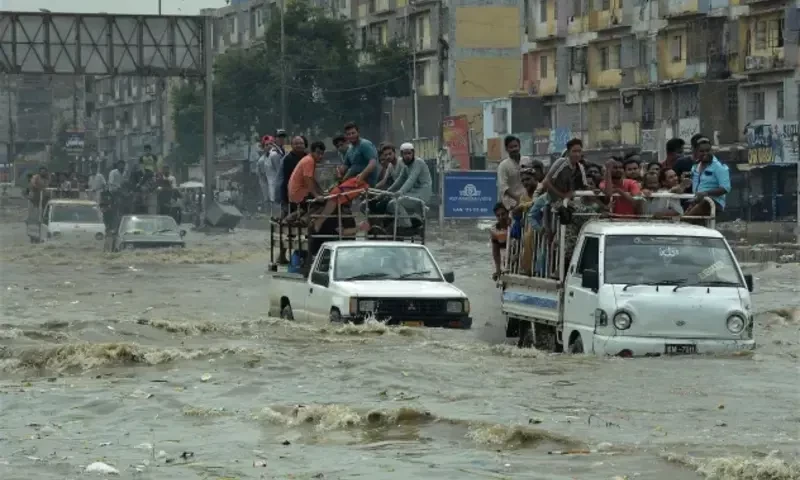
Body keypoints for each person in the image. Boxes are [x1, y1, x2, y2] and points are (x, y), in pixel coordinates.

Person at [311, 122, 378, 233]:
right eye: (348, 134)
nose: (351, 135)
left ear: (358, 132)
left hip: (364, 181)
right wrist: (337, 172)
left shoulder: (365, 145)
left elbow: (373, 163)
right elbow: (345, 166)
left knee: (335, 194)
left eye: (353, 133)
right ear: (346, 136)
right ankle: (339, 225)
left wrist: (362, 175)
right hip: (352, 180)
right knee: (330, 192)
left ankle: (319, 223)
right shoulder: (351, 149)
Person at [385, 142, 432, 231]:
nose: (407, 156)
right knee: (390, 203)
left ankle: (407, 227)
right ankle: (404, 222)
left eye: (409, 153)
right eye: (405, 154)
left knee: (395, 202)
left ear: (413, 153)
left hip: (423, 192)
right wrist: (387, 191)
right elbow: (400, 180)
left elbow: (411, 180)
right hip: (413, 192)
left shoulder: (418, 162)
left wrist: (401, 192)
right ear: (401, 154)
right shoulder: (406, 165)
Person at [684, 136, 730, 219]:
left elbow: (725, 188)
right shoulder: (695, 166)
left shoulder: (719, 166)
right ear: (696, 152)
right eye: (701, 151)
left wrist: (706, 193)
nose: (705, 153)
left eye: (708, 150)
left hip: (712, 203)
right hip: (696, 201)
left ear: (711, 150)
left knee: (687, 220)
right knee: (683, 220)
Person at [288, 140, 325, 207]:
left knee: (323, 198)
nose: (320, 156)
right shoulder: (309, 161)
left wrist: (322, 192)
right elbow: (308, 180)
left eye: (322, 154)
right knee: (324, 203)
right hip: (299, 193)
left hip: (296, 193)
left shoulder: (309, 160)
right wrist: (316, 196)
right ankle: (308, 217)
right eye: (318, 153)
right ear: (312, 152)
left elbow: (312, 180)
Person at [497, 135, 526, 210]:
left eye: (515, 146)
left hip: (527, 200)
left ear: (519, 146)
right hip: (511, 204)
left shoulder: (527, 160)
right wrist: (517, 198)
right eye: (511, 147)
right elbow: (503, 186)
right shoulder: (503, 165)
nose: (514, 149)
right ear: (506, 149)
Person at [268, 129, 288, 217]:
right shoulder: (274, 154)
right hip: (278, 184)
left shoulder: (282, 150)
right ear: (275, 139)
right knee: (281, 208)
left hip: (281, 183)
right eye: (279, 137)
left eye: (283, 137)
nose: (282, 139)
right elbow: (280, 171)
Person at [491, 203, 510, 281]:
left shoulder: (515, 224)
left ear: (508, 213)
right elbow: (496, 252)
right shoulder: (494, 230)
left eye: (503, 214)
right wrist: (498, 269)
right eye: (498, 216)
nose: (501, 217)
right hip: (504, 260)